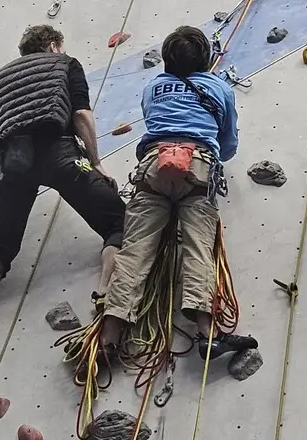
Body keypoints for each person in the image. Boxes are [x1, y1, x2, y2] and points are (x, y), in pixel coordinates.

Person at [97, 26, 257, 361]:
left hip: (154, 169)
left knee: (135, 253)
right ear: (205, 58)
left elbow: (151, 119)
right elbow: (227, 144)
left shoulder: (154, 87)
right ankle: (208, 335)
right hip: (197, 169)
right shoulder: (218, 87)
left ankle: (108, 341)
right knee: (198, 249)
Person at [0, 25, 126, 342]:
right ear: (54, 46)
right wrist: (96, 162)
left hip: (12, 164)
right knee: (117, 221)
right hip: (59, 152)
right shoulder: (64, 64)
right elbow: (81, 114)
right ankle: (106, 291)